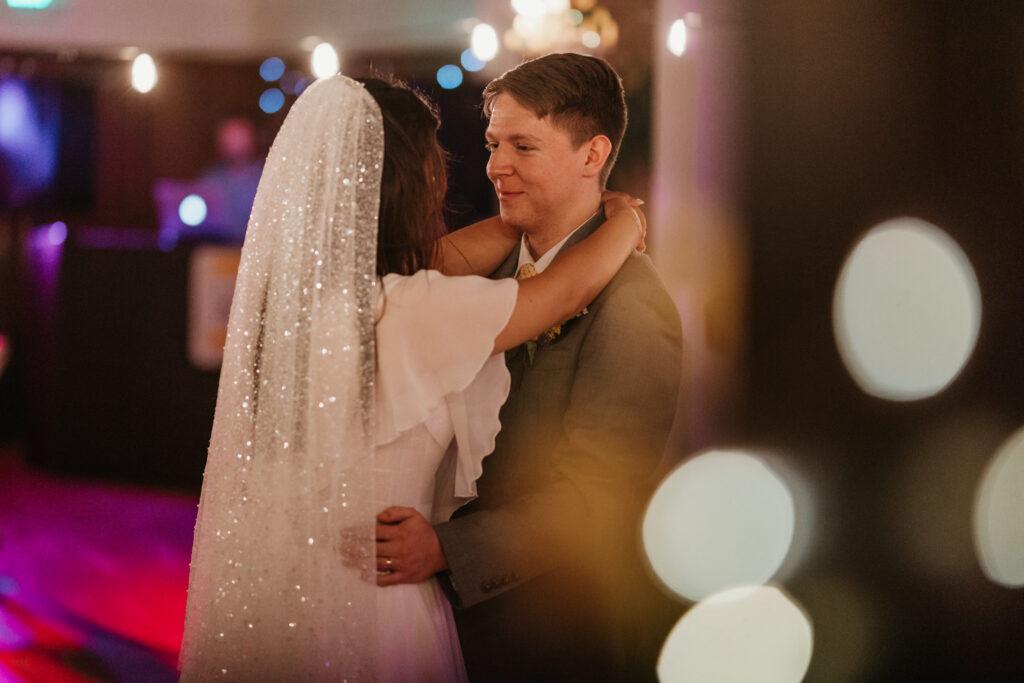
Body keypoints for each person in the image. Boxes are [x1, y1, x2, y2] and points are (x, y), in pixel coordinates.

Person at [178, 74, 647, 681]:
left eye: (520, 148)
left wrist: (535, 208)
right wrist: (628, 222)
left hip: (281, 591)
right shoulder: (411, 308)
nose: (470, 171)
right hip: (376, 599)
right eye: (439, 162)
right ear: (405, 180)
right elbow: (563, 292)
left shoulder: (306, 303)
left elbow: (440, 259)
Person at [376, 54, 684, 681]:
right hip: (420, 616)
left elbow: (598, 496)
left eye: (523, 145)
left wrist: (448, 550)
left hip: (542, 635)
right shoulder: (459, 277)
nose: (495, 167)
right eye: (492, 144)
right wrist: (623, 220)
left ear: (593, 155)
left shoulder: (632, 302)